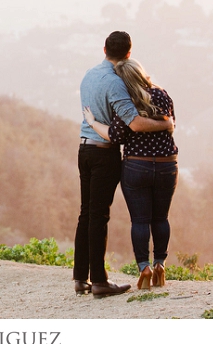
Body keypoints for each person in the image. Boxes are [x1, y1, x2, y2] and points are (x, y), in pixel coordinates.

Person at [74, 31, 175, 298]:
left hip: (84, 149)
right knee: (99, 216)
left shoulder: (89, 75)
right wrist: (165, 124)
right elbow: (134, 123)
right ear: (129, 53)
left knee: (86, 214)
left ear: (104, 48)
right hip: (104, 153)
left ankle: (80, 277)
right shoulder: (116, 82)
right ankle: (99, 281)